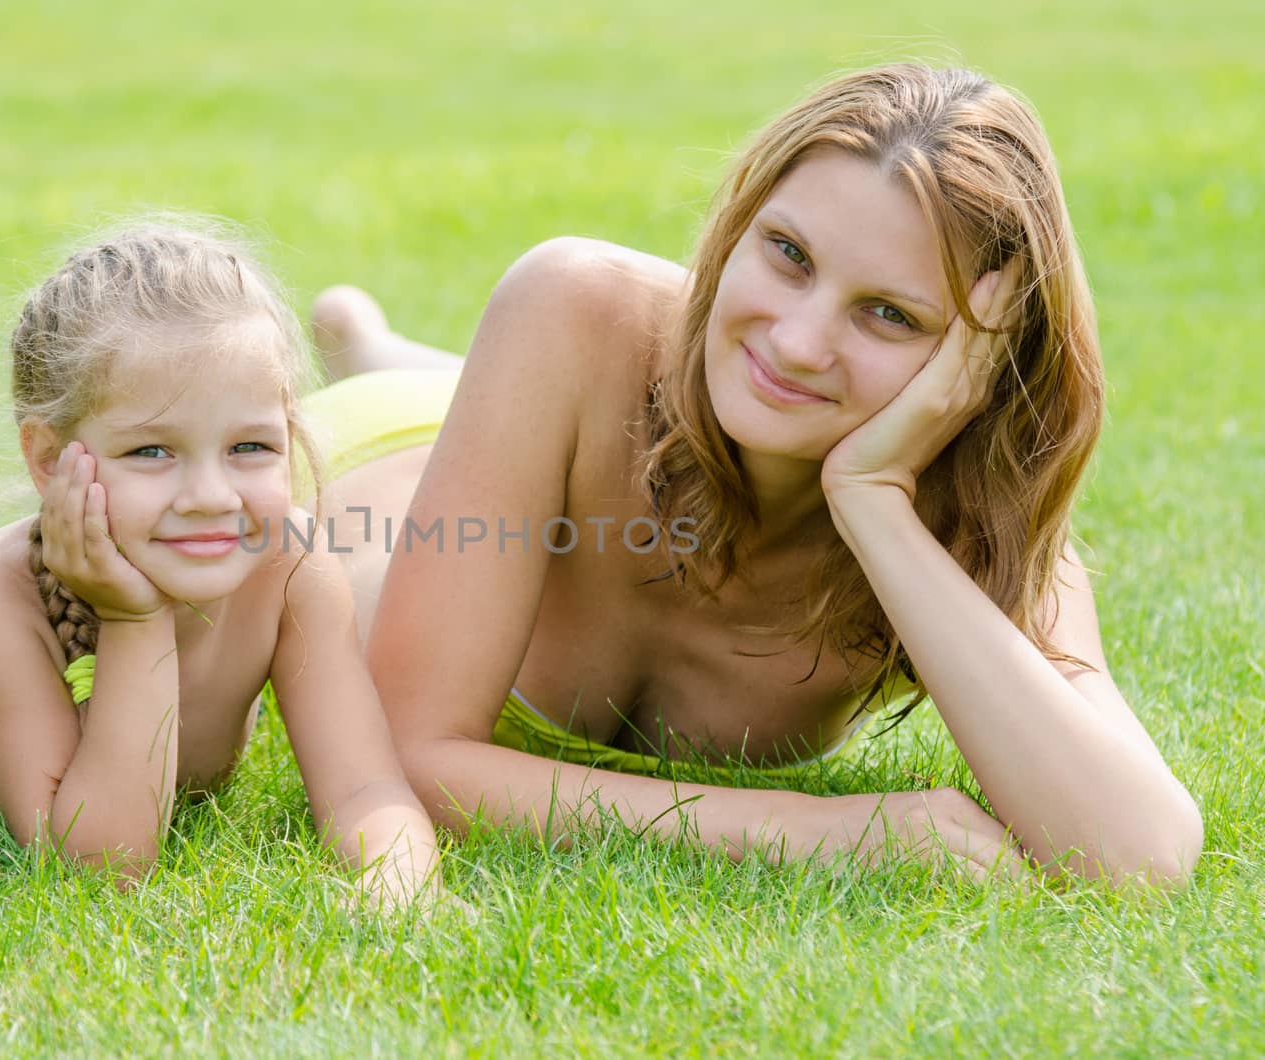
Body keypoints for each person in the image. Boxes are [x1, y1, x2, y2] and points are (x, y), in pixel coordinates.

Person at [305, 64, 1202, 887]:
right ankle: (373, 353)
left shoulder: (969, 520)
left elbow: (1139, 855)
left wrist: (875, 504)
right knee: (454, 385)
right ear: (736, 227)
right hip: (377, 460)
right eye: (788, 254)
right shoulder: (572, 307)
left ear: (978, 367)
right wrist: (813, 828)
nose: (800, 341)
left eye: (888, 315)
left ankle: (388, 347)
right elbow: (404, 759)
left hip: (579, 417)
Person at [0, 223, 443, 900]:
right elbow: (101, 862)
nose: (209, 496)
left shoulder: (289, 566)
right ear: (50, 461)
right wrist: (133, 617)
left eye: (250, 448)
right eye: (151, 452)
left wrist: (396, 880)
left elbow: (364, 786)